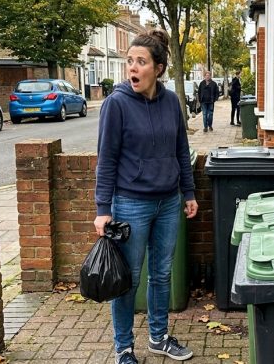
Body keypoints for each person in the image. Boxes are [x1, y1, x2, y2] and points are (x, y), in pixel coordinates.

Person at [95, 29, 198, 364]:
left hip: (169, 202)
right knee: (129, 278)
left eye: (141, 62)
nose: (133, 69)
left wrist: (189, 192)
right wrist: (102, 208)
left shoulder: (170, 102)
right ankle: (123, 348)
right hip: (131, 204)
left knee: (163, 273)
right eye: (129, 62)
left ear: (159, 68)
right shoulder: (116, 103)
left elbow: (182, 150)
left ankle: (158, 337)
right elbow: (106, 158)